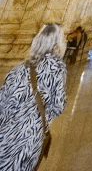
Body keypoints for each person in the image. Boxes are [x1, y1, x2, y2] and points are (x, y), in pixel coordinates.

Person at [0, 22, 67, 171]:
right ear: (58, 44)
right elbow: (58, 107)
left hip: (4, 135)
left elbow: (3, 104)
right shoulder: (57, 69)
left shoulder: (18, 69)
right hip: (29, 138)